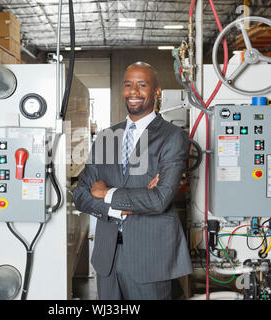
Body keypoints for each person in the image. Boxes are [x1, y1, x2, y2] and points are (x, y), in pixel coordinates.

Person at [73, 61, 192, 300]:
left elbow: (159, 199)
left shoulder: (172, 137)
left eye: (141, 84)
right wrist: (120, 208)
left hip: (150, 256)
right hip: (107, 255)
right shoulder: (108, 137)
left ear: (156, 92)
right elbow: (81, 196)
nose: (133, 91)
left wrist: (107, 194)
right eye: (128, 84)